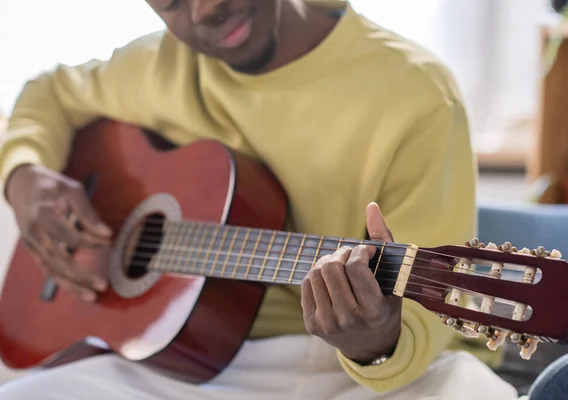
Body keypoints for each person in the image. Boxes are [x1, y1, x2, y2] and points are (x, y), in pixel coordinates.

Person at [0, 0, 519, 398]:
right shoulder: (158, 65)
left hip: (346, 371)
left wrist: (377, 342)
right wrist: (24, 175)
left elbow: (428, 317)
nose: (205, 9)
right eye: (173, 4)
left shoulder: (415, 92)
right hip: (179, 368)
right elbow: (48, 91)